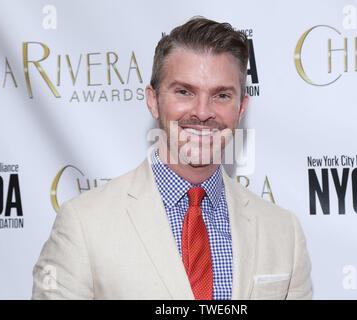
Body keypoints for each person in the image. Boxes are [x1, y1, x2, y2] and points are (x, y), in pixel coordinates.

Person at [32, 17, 312, 300]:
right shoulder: (84, 224)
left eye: (222, 95)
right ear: (153, 101)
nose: (203, 112)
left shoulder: (283, 233)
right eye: (184, 92)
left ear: (241, 108)